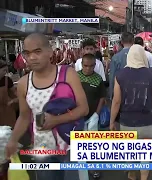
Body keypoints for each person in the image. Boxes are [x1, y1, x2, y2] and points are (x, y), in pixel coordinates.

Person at [5, 33, 89, 180]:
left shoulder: (67, 74)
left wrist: (56, 120)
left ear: (49, 52)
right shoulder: (24, 84)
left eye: (37, 52)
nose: (31, 57)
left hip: (70, 146)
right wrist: (13, 139)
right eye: (27, 53)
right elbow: (24, 116)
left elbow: (84, 108)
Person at [109, 45, 152, 180]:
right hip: (146, 123)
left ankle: (131, 175)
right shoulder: (151, 75)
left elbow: (116, 101)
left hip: (126, 123)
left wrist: (112, 121)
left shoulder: (120, 75)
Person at [109, 32, 134, 99]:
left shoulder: (115, 57)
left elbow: (112, 77)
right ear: (133, 41)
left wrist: (111, 94)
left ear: (122, 42)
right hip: (137, 90)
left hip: (120, 90)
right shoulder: (140, 56)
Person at [0, 60, 17, 128]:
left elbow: (15, 93)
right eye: (4, 70)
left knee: (8, 130)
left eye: (6, 70)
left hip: (7, 110)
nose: (6, 72)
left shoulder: (7, 80)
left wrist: (15, 100)